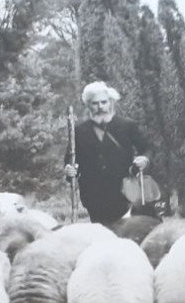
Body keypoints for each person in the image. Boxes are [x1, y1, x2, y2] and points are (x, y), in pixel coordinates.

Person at [64, 81, 153, 225]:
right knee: (103, 234)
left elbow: (147, 149)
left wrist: (144, 160)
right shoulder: (80, 131)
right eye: (95, 103)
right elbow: (70, 159)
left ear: (110, 102)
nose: (100, 107)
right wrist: (70, 170)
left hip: (124, 193)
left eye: (104, 102)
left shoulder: (127, 126)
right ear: (88, 105)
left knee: (125, 232)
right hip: (94, 196)